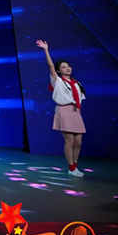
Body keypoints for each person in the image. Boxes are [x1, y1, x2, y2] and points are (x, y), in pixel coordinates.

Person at [37, 40, 87, 177]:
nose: (68, 68)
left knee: (78, 142)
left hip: (76, 111)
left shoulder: (76, 82)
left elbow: (79, 98)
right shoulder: (57, 81)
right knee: (69, 141)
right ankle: (71, 168)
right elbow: (50, 65)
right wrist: (46, 50)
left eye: (69, 66)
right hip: (64, 110)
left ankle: (75, 166)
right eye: (64, 67)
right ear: (59, 70)